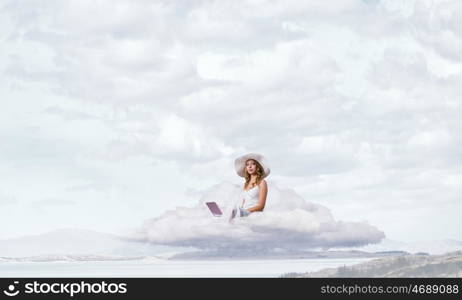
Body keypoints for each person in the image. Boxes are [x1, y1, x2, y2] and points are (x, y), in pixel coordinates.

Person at [230, 153, 270, 221]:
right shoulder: (245, 184)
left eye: (253, 164)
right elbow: (243, 205)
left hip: (254, 217)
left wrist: (244, 212)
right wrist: (235, 213)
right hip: (243, 217)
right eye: (247, 164)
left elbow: (261, 206)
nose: (250, 166)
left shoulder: (262, 182)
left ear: (258, 167)